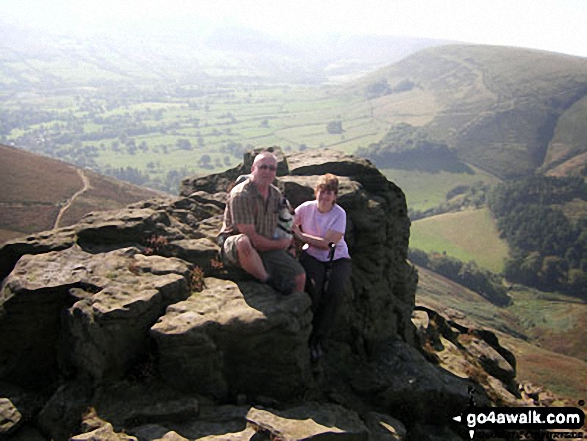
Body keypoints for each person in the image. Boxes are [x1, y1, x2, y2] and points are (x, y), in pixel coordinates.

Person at [217, 151, 306, 295]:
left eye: (272, 168)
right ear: (253, 169)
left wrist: (289, 244)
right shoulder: (241, 195)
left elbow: (287, 222)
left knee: (299, 276)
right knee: (243, 242)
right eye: (263, 167)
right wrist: (279, 245)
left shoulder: (276, 195)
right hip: (240, 248)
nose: (267, 171)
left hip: (267, 246)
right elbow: (250, 236)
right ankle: (268, 281)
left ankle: (296, 309)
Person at [292, 173, 352, 361]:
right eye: (322, 191)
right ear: (316, 192)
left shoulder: (339, 214)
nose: (325, 196)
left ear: (335, 196)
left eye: (330, 193)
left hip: (337, 258)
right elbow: (289, 224)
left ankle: (318, 339)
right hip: (312, 256)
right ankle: (306, 334)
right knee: (314, 292)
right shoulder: (306, 208)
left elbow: (328, 244)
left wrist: (301, 237)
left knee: (335, 293)